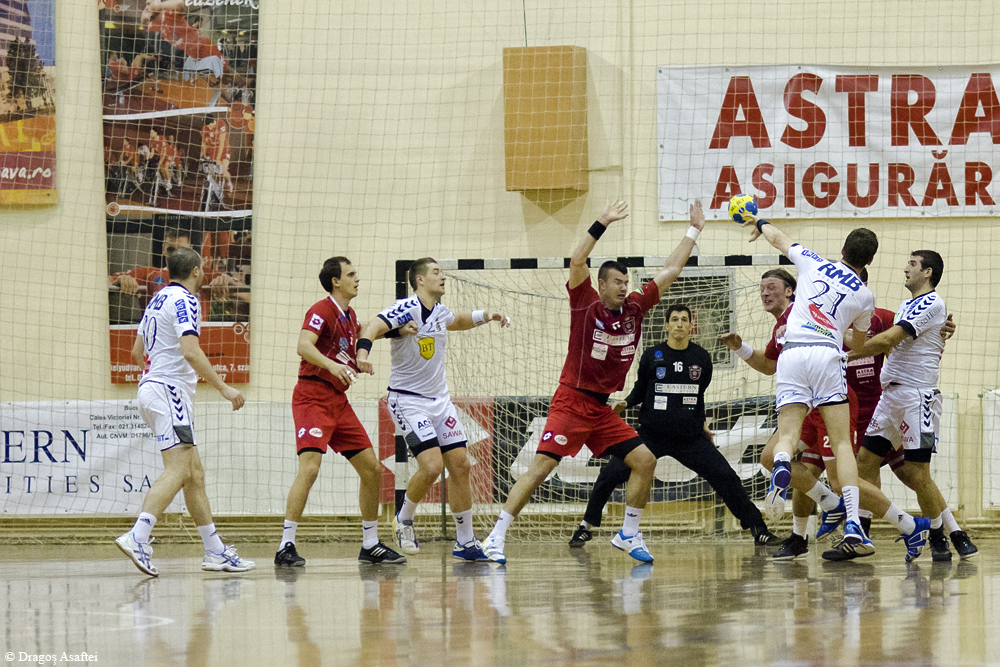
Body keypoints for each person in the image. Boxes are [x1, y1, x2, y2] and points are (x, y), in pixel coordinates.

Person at [480, 199, 706, 565]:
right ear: (600, 284)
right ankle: (495, 537)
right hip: (572, 401)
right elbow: (576, 259)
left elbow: (671, 269)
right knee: (540, 470)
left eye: (626, 282)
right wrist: (602, 221)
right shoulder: (585, 302)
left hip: (601, 409)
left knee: (645, 461)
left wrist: (694, 230)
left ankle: (628, 533)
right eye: (617, 282)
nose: (624, 287)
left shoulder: (636, 307)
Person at [745, 214, 929, 562]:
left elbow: (779, 238)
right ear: (870, 260)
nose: (767, 293)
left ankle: (798, 475)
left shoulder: (813, 263)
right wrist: (841, 332)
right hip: (828, 360)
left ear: (841, 249)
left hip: (795, 356)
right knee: (840, 448)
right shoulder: (864, 295)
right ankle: (845, 515)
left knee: (789, 442)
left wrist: (759, 219)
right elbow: (858, 346)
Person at [569, 303, 781, 549]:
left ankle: (759, 529)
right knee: (610, 473)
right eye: (675, 319)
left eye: (684, 319)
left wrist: (701, 422)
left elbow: (698, 394)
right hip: (651, 436)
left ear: (691, 326)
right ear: (666, 325)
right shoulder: (652, 355)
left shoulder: (701, 357)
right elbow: (640, 389)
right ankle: (585, 527)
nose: (679, 323)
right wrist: (625, 403)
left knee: (726, 476)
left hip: (690, 438)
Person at [355, 258, 511, 562]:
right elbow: (371, 327)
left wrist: (487, 315)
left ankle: (465, 542)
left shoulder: (439, 311)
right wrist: (362, 354)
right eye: (436, 272)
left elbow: (458, 321)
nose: (443, 276)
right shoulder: (405, 308)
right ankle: (403, 519)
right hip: (407, 401)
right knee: (431, 467)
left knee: (461, 465)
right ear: (420, 280)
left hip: (440, 402)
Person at [115, 246, 254, 576]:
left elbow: (136, 352)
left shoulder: (156, 300)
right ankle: (138, 536)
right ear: (196, 271)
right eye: (202, 268)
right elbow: (190, 351)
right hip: (169, 393)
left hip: (152, 389)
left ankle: (214, 551)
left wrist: (158, 375)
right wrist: (223, 388)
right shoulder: (185, 300)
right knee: (178, 470)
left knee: (194, 473)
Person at [274, 257, 408, 567]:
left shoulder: (349, 315)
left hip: (338, 401)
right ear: (336, 281)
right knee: (310, 468)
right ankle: (285, 545)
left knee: (371, 469)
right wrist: (333, 366)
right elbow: (303, 346)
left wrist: (398, 331)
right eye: (351, 274)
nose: (357, 278)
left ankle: (370, 544)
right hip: (312, 397)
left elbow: (364, 332)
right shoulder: (321, 310)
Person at [849, 251, 978, 561]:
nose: (905, 268)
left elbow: (886, 341)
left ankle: (937, 534)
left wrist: (840, 352)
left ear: (928, 272)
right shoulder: (907, 305)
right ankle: (868, 531)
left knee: (917, 474)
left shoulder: (930, 302)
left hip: (916, 398)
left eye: (912, 264)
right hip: (891, 397)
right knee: (864, 462)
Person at [719, 268, 845, 560]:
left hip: (829, 405)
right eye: (762, 288)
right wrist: (740, 348)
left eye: (772, 287)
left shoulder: (804, 314)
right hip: (804, 409)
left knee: (843, 480)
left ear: (790, 291)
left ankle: (889, 526)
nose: (765, 292)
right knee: (773, 458)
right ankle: (826, 511)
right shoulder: (782, 324)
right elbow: (769, 365)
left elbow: (843, 339)